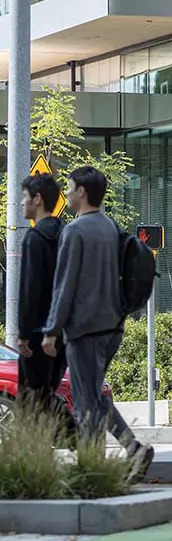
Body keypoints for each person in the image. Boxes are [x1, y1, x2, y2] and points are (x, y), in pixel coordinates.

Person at [41, 166, 154, 477]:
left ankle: (91, 469)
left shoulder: (75, 231)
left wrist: (52, 330)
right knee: (91, 395)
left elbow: (65, 286)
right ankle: (132, 448)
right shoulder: (111, 227)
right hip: (113, 326)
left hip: (85, 328)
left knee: (85, 402)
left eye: (69, 187)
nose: (66, 193)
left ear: (81, 192)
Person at [17, 173, 66, 413]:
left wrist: (24, 334)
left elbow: (30, 289)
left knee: (32, 405)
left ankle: (76, 433)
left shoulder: (35, 238)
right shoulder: (66, 233)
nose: (21, 202)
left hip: (38, 334)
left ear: (37, 199)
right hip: (62, 332)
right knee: (46, 399)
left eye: (24, 196)